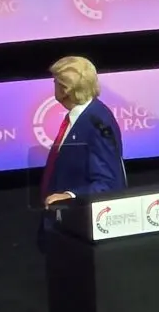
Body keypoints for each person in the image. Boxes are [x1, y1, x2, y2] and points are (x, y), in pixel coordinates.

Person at [38, 56, 127, 244]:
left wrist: (70, 196)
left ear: (65, 89)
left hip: (79, 231)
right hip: (62, 226)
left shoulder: (96, 122)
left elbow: (109, 183)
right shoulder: (83, 116)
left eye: (55, 82)